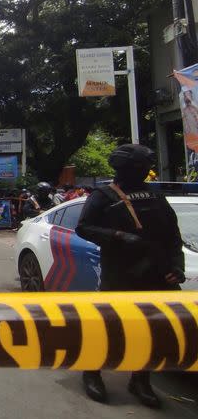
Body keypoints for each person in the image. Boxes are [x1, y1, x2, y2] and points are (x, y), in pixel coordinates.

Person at [75, 144, 185, 409]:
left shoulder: (155, 196)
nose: (146, 171)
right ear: (127, 169)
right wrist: (117, 236)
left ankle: (140, 380)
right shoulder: (103, 195)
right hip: (121, 273)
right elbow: (83, 227)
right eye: (141, 167)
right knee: (109, 327)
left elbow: (173, 236)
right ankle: (91, 373)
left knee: (151, 331)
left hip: (157, 275)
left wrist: (176, 266)